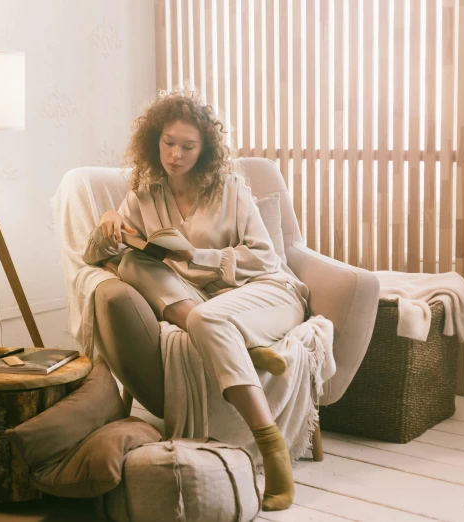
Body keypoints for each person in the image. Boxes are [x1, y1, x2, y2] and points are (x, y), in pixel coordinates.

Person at [83, 90, 309, 511]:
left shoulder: (231, 189)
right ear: (155, 140)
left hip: (264, 292)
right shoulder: (143, 196)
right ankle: (245, 348)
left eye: (188, 146)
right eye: (168, 142)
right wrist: (108, 221)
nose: (175, 154)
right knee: (131, 264)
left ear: (205, 149)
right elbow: (95, 256)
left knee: (207, 320)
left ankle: (273, 451)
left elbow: (265, 258)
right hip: (205, 303)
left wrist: (195, 256)